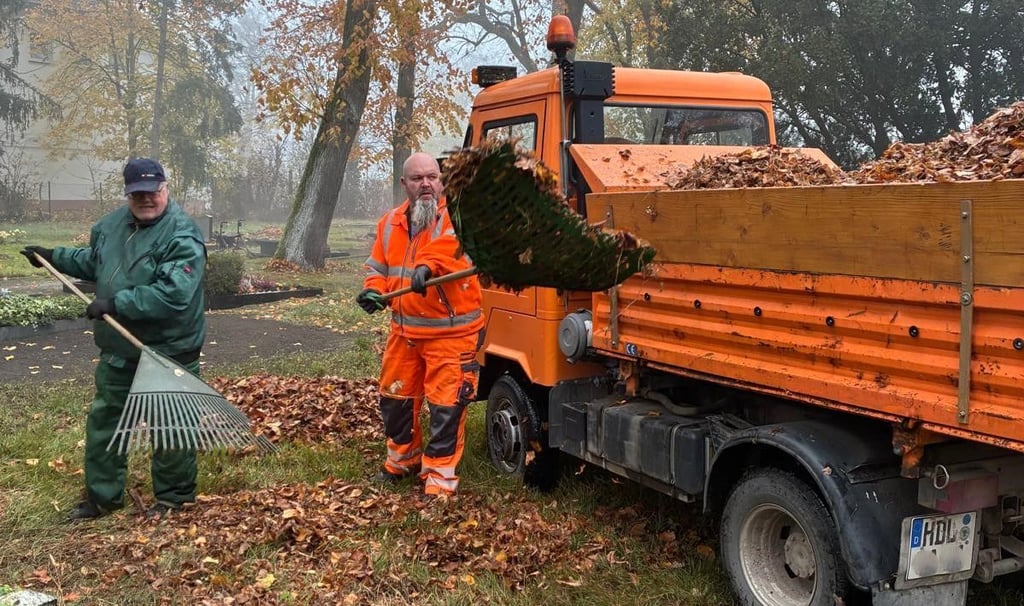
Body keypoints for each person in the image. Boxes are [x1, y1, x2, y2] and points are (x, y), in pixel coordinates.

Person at [20, 157, 207, 522]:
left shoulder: (182, 235)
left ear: (165, 189)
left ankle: (174, 499)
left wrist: (116, 303)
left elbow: (174, 294)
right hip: (119, 350)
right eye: (137, 194)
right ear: (127, 194)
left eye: (153, 192)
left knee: (171, 426)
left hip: (168, 349)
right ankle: (102, 497)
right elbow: (95, 261)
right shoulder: (110, 227)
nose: (146, 200)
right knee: (105, 422)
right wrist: (52, 257)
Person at [356, 152, 484, 498]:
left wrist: (426, 267)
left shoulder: (456, 216)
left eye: (432, 177)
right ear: (404, 184)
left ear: (441, 181)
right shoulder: (390, 223)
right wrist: (372, 292)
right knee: (394, 400)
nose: (426, 184)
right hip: (404, 332)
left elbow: (451, 247)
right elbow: (378, 269)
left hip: (451, 334)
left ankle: (439, 479)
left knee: (446, 407)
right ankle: (402, 462)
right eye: (417, 179)